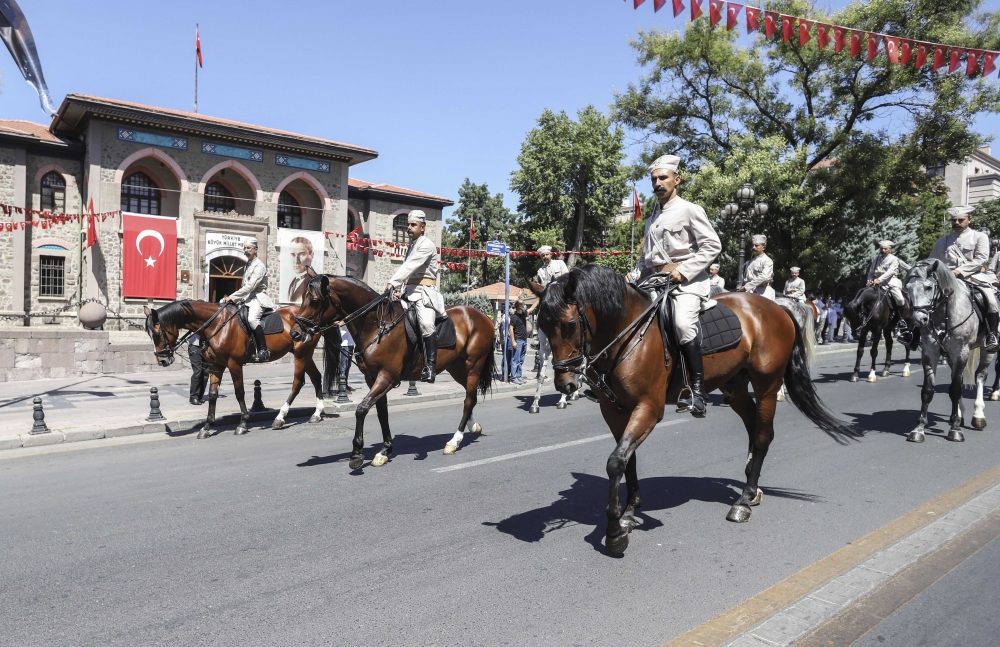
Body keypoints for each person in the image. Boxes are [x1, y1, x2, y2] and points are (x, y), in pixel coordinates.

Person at [630, 153, 722, 417]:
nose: (658, 183)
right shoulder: (651, 220)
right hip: (655, 281)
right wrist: (635, 274)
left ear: (676, 179)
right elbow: (644, 259)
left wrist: (685, 270)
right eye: (654, 179)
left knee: (682, 323)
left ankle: (697, 391)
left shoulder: (690, 210)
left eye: (663, 178)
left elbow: (712, 245)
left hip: (686, 281)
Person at [386, 210, 446, 382]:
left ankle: (430, 367)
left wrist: (392, 282)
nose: (409, 228)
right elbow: (410, 274)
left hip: (424, 294)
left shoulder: (426, 245)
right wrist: (400, 290)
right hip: (409, 292)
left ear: (423, 227)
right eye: (408, 224)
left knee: (427, 324)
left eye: (413, 225)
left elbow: (410, 266)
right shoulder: (412, 245)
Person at [928, 205, 1000, 351]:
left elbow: (981, 258)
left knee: (991, 299)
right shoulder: (942, 241)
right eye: (954, 220)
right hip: (946, 281)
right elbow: (932, 261)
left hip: (973, 278)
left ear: (969, 220)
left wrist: (958, 271)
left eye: (961, 220)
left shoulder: (980, 237)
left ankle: (992, 334)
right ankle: (913, 333)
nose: (957, 223)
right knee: (924, 298)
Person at [222, 238, 273, 362]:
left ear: (255, 250)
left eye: (248, 248)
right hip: (247, 299)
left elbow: (250, 286)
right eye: (244, 248)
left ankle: (263, 350)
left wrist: (232, 297)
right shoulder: (248, 265)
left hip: (257, 298)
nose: (246, 250)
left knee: (252, 319)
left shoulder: (259, 266)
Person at [528, 245, 569, 381]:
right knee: (542, 314)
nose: (545, 257)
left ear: (551, 254)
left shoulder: (560, 263)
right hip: (548, 297)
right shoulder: (540, 270)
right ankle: (538, 336)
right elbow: (541, 287)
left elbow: (567, 278)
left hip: (562, 295)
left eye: (546, 254)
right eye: (542, 256)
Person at [867, 240, 909, 319]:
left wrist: (879, 279)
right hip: (876, 283)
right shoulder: (875, 260)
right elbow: (871, 273)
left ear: (890, 250)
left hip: (890, 283)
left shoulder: (894, 259)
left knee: (900, 300)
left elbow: (890, 272)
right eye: (881, 249)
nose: (883, 250)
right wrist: (869, 281)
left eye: (885, 249)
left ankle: (900, 319)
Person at [739, 235, 775, 299]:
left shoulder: (767, 261)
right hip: (748, 292)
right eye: (753, 245)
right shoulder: (749, 261)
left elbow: (764, 277)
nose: (753, 247)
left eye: (756, 246)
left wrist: (746, 287)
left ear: (763, 247)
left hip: (763, 292)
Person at [286, 236, 317, 304]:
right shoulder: (293, 281)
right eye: (293, 255)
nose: (296, 261)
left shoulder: (313, 281)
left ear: (311, 255)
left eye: (302, 254)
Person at [507, 299, 528, 384]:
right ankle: (513, 378)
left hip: (524, 340)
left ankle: (519, 376)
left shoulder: (523, 314)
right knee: (515, 360)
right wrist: (513, 341)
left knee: (521, 360)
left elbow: (531, 309)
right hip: (518, 340)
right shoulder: (514, 317)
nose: (525, 306)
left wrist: (539, 299)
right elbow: (511, 329)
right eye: (524, 304)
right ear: (519, 306)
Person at [188, 332, 208, 405]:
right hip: (195, 347)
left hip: (205, 347)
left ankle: (200, 396)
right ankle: (193, 397)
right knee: (198, 371)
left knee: (205, 372)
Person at [340, 325, 355, 392]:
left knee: (348, 365)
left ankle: (345, 384)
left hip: (351, 343)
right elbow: (339, 323)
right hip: (345, 344)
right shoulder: (343, 319)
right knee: (344, 365)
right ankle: (341, 386)